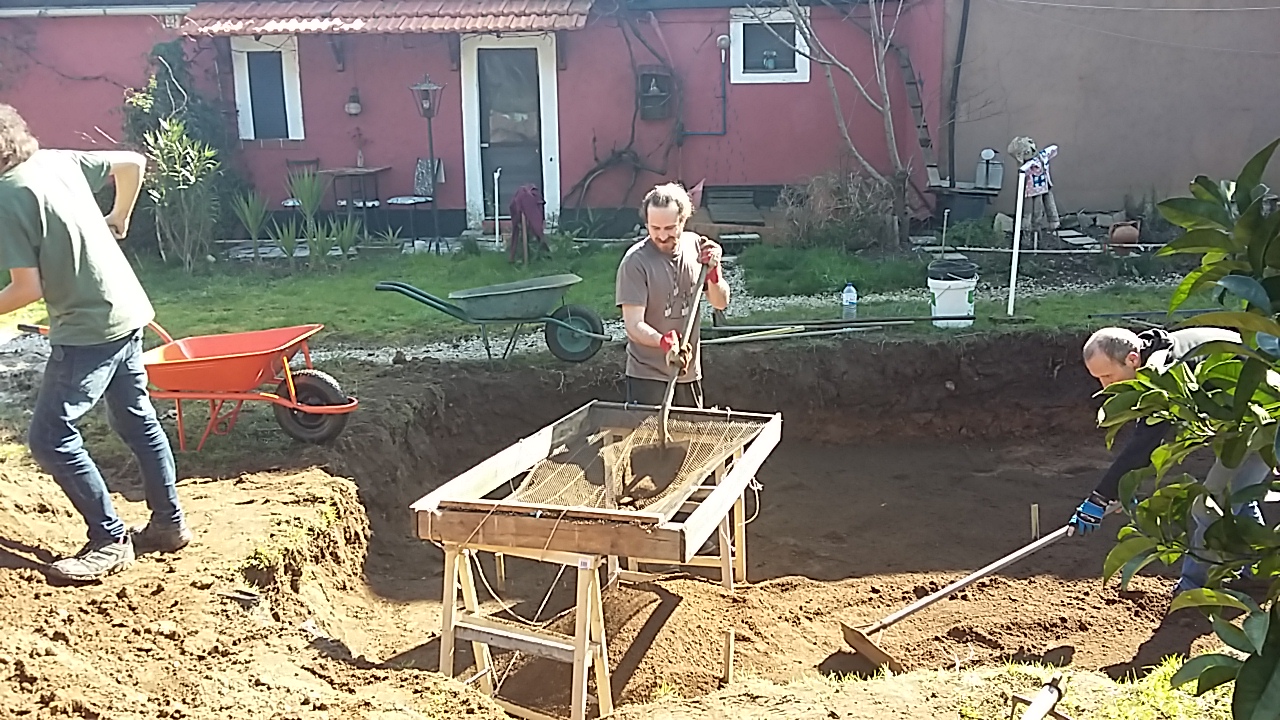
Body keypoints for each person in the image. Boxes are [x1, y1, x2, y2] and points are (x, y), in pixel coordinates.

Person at [0, 103, 191, 583]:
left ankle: (108, 539)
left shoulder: (8, 196)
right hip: (126, 308)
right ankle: (169, 524)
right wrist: (118, 218)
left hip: (88, 328)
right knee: (135, 418)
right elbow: (133, 163)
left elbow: (26, 289)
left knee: (48, 437)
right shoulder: (54, 161)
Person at [1068, 326, 1267, 594]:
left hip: (1266, 419)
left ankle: (1193, 588)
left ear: (1132, 359)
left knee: (1209, 505)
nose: (1106, 386)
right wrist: (1121, 491)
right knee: (1239, 493)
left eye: (1107, 375)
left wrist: (1099, 498)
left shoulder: (1164, 371)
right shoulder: (1152, 352)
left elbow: (1145, 442)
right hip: (1242, 418)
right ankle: (1259, 571)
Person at [616, 182, 730, 408]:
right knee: (648, 443)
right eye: (654, 228)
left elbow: (721, 303)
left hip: (688, 373)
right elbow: (633, 325)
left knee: (691, 441)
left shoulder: (697, 247)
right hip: (648, 378)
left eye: (669, 228)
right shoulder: (635, 263)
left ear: (683, 220)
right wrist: (662, 341)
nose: (661, 236)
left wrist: (714, 275)